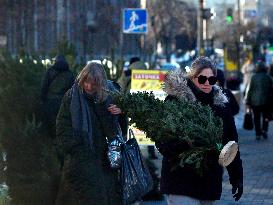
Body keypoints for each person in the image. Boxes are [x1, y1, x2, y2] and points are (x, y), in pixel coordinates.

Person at [157, 56, 243, 205]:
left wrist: (236, 177)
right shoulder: (176, 101)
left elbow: (231, 143)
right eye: (202, 79)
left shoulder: (221, 105)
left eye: (211, 79)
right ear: (192, 77)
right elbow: (161, 138)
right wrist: (186, 145)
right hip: (180, 179)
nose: (207, 83)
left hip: (208, 181)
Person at [56, 62, 126, 205]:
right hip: (80, 161)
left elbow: (121, 128)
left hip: (106, 161)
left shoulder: (111, 95)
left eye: (93, 84)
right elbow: (62, 125)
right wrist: (75, 149)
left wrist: (121, 112)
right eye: (86, 82)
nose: (88, 86)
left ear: (100, 83)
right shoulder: (72, 96)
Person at [41, 54, 75, 137]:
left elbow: (44, 86)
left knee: (50, 123)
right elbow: (72, 90)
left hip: (50, 101)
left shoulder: (50, 72)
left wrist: (42, 99)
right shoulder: (69, 74)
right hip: (62, 102)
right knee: (62, 123)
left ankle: (52, 141)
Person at [245, 62, 273, 140]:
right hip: (266, 101)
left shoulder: (253, 77)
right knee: (266, 117)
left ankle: (258, 133)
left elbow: (250, 90)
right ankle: (264, 130)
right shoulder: (268, 77)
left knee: (256, 118)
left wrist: (248, 101)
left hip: (254, 102)